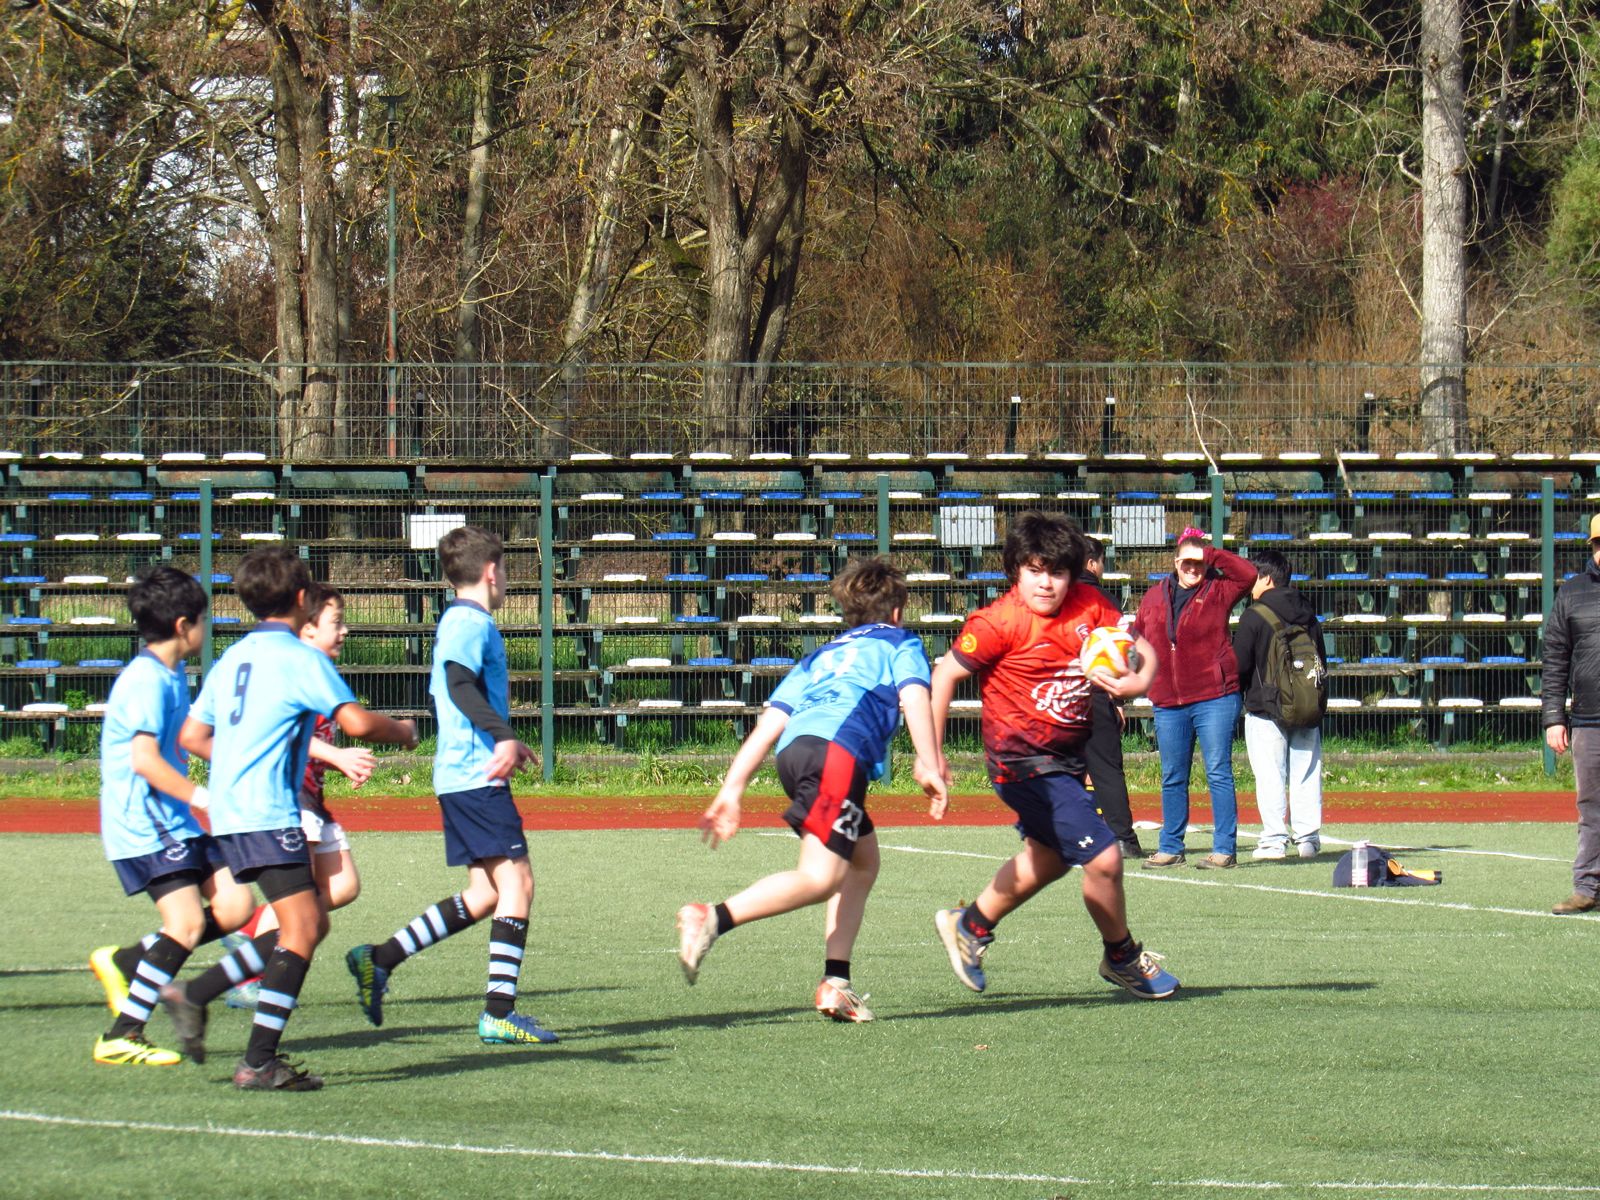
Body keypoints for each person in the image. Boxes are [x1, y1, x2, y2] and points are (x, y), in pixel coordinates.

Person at [160, 546, 418, 1091]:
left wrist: (239, 766)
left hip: (229, 811)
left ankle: (198, 995)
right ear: (303, 600)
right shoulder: (303, 660)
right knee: (302, 927)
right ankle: (257, 1061)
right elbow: (354, 723)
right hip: (268, 810)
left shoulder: (233, 657)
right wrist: (402, 729)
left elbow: (191, 736)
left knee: (308, 923)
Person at [675, 557, 947, 1022]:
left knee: (862, 862)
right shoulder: (901, 642)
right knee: (820, 879)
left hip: (795, 752)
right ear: (898, 610)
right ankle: (713, 917)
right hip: (837, 757)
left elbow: (769, 725)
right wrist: (929, 759)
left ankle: (836, 983)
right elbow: (915, 695)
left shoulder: (819, 656)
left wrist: (732, 788)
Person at [930, 512, 1179, 1000]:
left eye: (1057, 572)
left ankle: (970, 926)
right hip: (1021, 764)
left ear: (1073, 573)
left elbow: (1144, 649)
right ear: (1015, 571)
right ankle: (1122, 956)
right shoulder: (997, 622)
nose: (1046, 583)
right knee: (1105, 858)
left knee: (1047, 860)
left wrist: (1139, 680)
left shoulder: (1090, 605)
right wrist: (931, 755)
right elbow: (943, 676)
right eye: (1034, 570)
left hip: (1068, 758)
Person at [345, 526, 557, 1045]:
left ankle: (381, 958)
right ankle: (499, 1012)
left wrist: (506, 739)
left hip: (462, 774)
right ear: (491, 573)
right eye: (504, 570)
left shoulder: (459, 619)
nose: (505, 579)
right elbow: (460, 684)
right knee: (518, 885)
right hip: (474, 776)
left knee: (485, 894)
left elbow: (462, 688)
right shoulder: (470, 623)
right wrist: (503, 735)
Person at [88, 566, 254, 1066]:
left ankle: (129, 962)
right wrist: (202, 797)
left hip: (171, 817)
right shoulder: (146, 681)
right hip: (145, 821)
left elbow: (183, 741)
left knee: (235, 907)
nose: (208, 629)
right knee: (183, 925)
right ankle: (123, 1034)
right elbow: (144, 760)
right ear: (185, 625)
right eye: (204, 620)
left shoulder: (169, 672)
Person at [221, 582, 376, 1009]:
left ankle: (256, 926)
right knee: (297, 902)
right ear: (307, 628)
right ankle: (249, 977)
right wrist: (339, 754)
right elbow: (285, 732)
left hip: (312, 796)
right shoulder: (296, 666)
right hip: (289, 797)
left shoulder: (319, 668)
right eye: (336, 622)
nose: (344, 631)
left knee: (342, 886)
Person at [1134, 526, 1256, 870]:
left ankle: (1224, 849)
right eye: (1186, 562)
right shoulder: (1154, 596)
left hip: (1213, 696)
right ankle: (1171, 846)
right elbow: (1138, 639)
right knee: (1172, 775)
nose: (1192, 568)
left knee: (1218, 771)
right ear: (1174, 562)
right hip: (1168, 701)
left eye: (1198, 563)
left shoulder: (1219, 589)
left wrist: (1211, 552)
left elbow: (1248, 574)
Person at [1232, 549, 1326, 860]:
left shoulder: (1254, 615)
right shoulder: (1308, 611)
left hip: (1265, 705)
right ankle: (1308, 839)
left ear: (1266, 578)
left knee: (1271, 774)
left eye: (1252, 576)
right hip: (1307, 701)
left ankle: (1273, 840)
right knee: (1306, 771)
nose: (1248, 583)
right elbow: (1320, 658)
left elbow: (1240, 665)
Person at [1541, 513, 1600, 915]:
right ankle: (1587, 887)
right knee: (1591, 806)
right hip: (1589, 721)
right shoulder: (1573, 593)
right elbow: (1555, 658)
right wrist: (1553, 717)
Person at [1080, 535, 1142, 858]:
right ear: (1092, 563)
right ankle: (1123, 840)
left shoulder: (1051, 598)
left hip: (1054, 695)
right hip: (1095, 693)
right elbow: (1124, 654)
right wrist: (1117, 700)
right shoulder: (1105, 602)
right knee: (1106, 769)